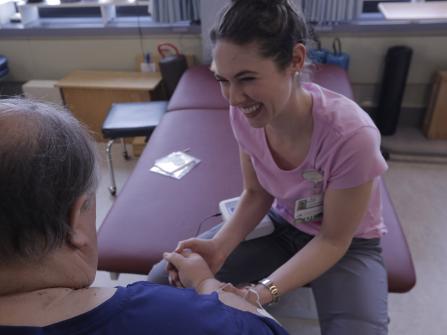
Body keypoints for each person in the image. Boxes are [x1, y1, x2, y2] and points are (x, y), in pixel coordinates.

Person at [148, 0, 389, 334]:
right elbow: (256, 192)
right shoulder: (245, 114)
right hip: (284, 221)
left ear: (295, 60)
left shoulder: (351, 136)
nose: (233, 98)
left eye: (246, 78)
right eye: (223, 80)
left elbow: (333, 241)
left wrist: (262, 293)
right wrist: (220, 247)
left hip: (347, 242)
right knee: (161, 280)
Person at [0, 98, 290, 335]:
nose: (233, 96)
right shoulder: (173, 317)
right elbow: (266, 329)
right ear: (76, 218)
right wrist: (206, 285)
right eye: (223, 82)